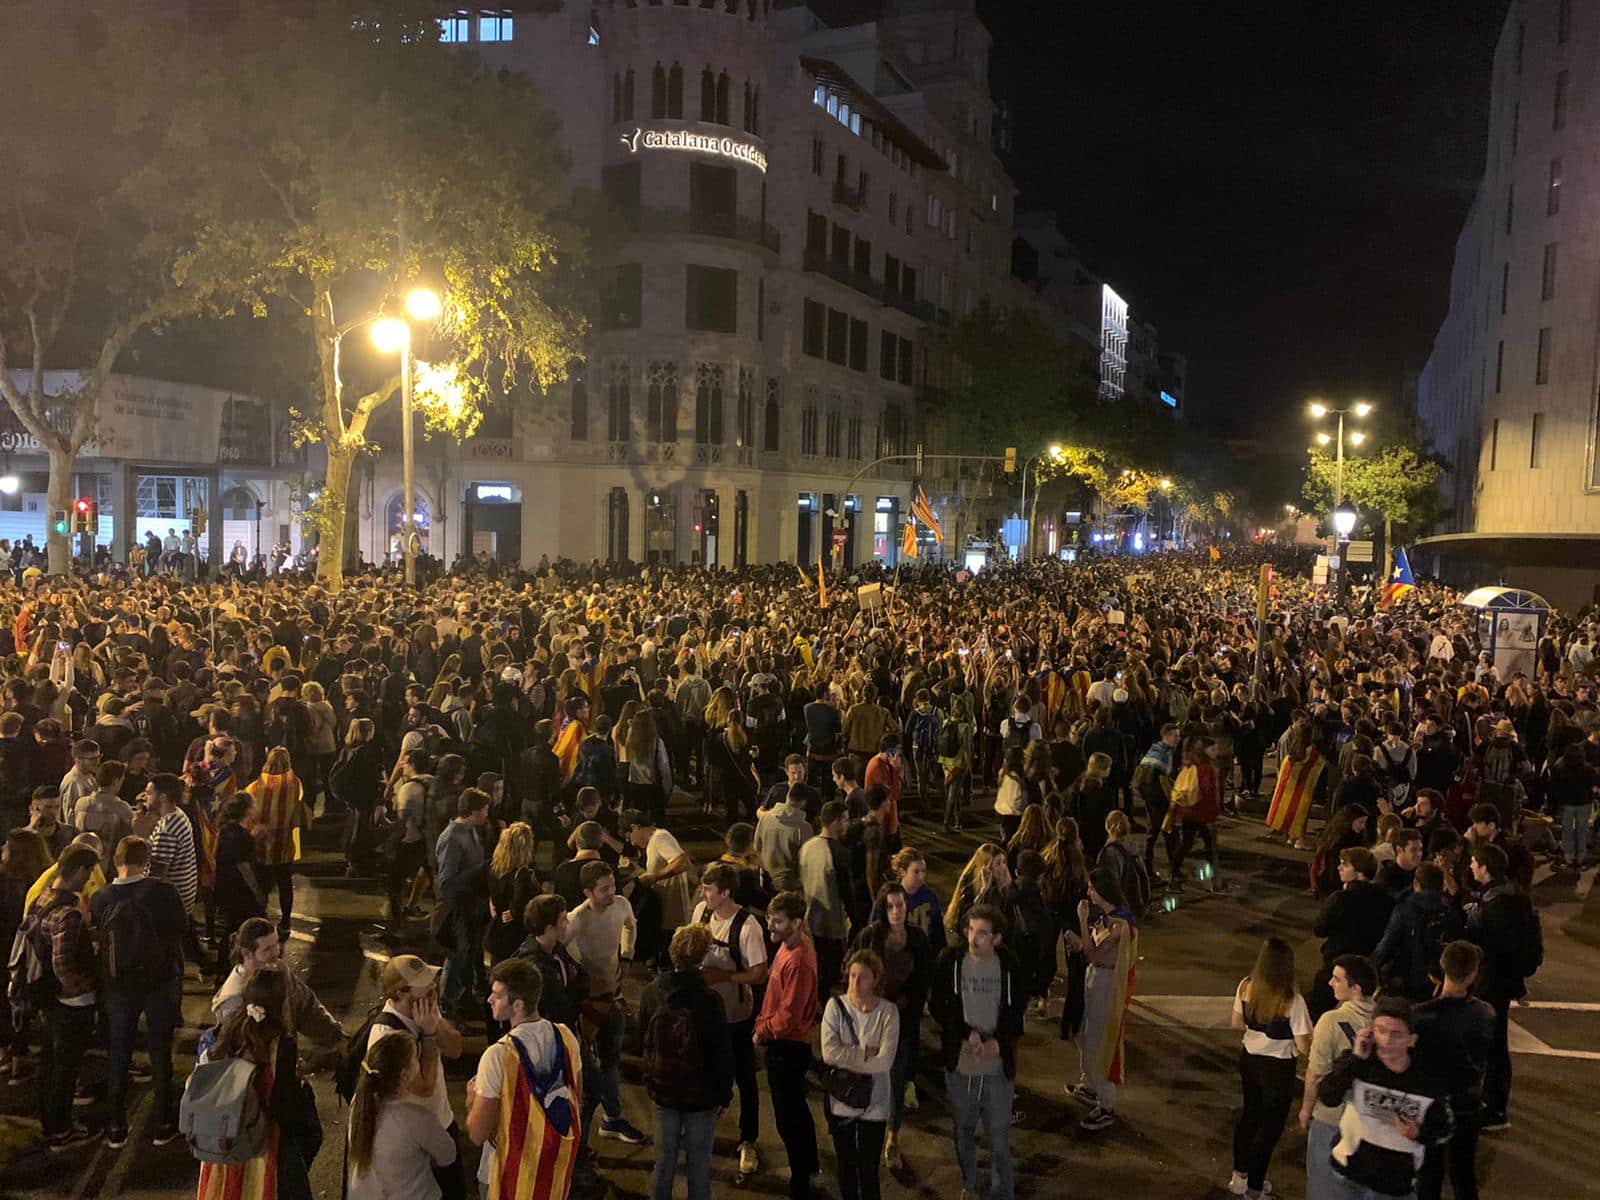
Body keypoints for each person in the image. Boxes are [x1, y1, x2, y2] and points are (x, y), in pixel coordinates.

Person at [92, 834, 190, 1148]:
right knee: (160, 1051)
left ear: (116, 861)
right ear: (146, 861)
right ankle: (163, 1123)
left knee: (119, 1051)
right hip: (159, 982)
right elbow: (181, 928)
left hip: (118, 985)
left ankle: (116, 1126)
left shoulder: (102, 897)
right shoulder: (163, 891)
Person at [195, 969, 320, 1200]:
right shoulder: (282, 1042)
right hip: (262, 1142)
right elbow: (283, 1108)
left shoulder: (231, 1027)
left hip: (226, 1140)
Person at [929, 903, 1026, 1200]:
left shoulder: (1009, 965)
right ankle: (969, 1183)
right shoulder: (950, 961)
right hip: (960, 1065)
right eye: (971, 930)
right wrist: (962, 1033)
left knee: (999, 1137)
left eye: (982, 933)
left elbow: (1017, 1010)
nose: (974, 938)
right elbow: (937, 1005)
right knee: (964, 1130)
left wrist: (1000, 1041)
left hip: (997, 1067)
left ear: (996, 938)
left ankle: (1002, 1193)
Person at [466, 959, 584, 1200]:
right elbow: (577, 1099)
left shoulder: (499, 1055)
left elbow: (478, 1133)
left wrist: (471, 1099)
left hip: (507, 1176)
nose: (489, 999)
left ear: (517, 1005)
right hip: (552, 1173)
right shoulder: (566, 1037)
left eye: (497, 995)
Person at [1316, 996, 1455, 1200]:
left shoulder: (1427, 1080)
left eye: (1396, 1034)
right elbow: (1328, 1097)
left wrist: (1419, 1132)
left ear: (1412, 1039)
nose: (1387, 1041)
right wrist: (1354, 1061)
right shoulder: (1360, 1063)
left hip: (1394, 1184)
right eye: (1380, 1031)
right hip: (1347, 1174)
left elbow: (1446, 1127)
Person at [639, 923, 733, 1200]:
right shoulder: (709, 1000)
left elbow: (643, 1038)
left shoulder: (652, 992)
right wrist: (724, 1095)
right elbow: (721, 1053)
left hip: (663, 1091)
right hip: (701, 1095)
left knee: (664, 1161)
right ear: (702, 957)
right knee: (699, 1164)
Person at [365, 955, 467, 1200]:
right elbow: (424, 1087)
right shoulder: (386, 1036)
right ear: (399, 994)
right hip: (415, 1143)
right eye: (424, 985)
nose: (433, 988)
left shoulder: (425, 1006)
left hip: (443, 1122)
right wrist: (429, 1035)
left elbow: (455, 1048)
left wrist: (435, 1024)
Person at [690, 862, 769, 1177]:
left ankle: (748, 1140)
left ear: (725, 892)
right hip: (707, 1012)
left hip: (736, 1015)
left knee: (746, 1078)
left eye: (709, 889)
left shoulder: (748, 926)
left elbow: (760, 973)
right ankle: (704, 1128)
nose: (703, 893)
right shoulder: (701, 913)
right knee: (706, 1070)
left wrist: (723, 977)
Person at [563, 860, 647, 1148]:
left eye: (612, 885)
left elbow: (630, 926)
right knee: (588, 1068)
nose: (612, 892)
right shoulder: (577, 919)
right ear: (588, 892)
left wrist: (627, 955)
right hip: (588, 1004)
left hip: (612, 996)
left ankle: (611, 1118)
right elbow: (560, 948)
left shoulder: (622, 904)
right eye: (604, 889)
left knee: (611, 1061)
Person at [852, 882, 932, 1170]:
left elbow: (925, 978)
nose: (896, 911)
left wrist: (908, 999)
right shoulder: (870, 937)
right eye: (890, 906)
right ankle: (868, 1132)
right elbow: (853, 974)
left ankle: (892, 1137)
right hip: (871, 1022)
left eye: (900, 905)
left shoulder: (918, 939)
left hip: (902, 1024)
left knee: (896, 1081)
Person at [1227, 937, 1311, 1200]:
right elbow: (1304, 1044)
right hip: (1278, 1067)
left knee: (1250, 1115)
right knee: (1270, 1127)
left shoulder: (1245, 987)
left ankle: (1238, 1177)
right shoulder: (1292, 1000)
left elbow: (1236, 1023)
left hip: (1250, 1059)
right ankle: (1255, 1187)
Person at [29, 844, 100, 1151]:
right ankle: (61, 1130)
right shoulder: (67, 914)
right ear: (81, 871)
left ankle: (50, 1122)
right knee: (66, 1066)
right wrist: (84, 989)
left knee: (50, 1062)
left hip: (45, 997)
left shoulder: (42, 899)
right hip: (68, 1003)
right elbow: (63, 964)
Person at [1466, 842, 1541, 1132]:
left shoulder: (1497, 905)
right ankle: (1491, 1103)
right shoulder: (1513, 895)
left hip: (1493, 983)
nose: (1471, 866)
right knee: (1494, 1044)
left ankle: (1495, 1109)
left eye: (1474, 863)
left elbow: (1501, 950)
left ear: (1484, 868)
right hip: (1501, 981)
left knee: (1493, 1045)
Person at [1413, 941, 1495, 1200]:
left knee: (1429, 1173)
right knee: (1463, 1172)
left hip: (1430, 1102)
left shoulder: (1420, 1016)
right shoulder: (1485, 1013)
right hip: (1467, 1102)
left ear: (1442, 966)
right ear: (1473, 974)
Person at [754, 890, 819, 1200]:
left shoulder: (798, 960)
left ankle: (800, 1181)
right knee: (797, 1109)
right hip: (788, 1042)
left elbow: (788, 1017)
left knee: (787, 1117)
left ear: (797, 922)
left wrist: (761, 1030)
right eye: (770, 919)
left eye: (777, 921)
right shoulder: (789, 946)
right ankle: (809, 1163)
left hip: (788, 1046)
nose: (770, 926)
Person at [1299, 954, 1379, 1200]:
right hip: (1371, 1118)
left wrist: (1306, 1109)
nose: (1330, 983)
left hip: (1332, 1117)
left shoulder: (1331, 1021)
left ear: (1355, 989)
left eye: (1337, 979)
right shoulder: (1385, 1021)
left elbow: (1314, 1075)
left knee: (1324, 1186)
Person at [821, 948, 899, 1200]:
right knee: (846, 1166)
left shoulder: (888, 1012)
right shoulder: (835, 1007)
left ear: (875, 979)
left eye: (862, 976)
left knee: (868, 1169)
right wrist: (866, 1053)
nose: (855, 982)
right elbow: (829, 1054)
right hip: (843, 1099)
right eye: (852, 975)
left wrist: (850, 1056)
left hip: (875, 1102)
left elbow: (885, 1061)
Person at [347, 1032, 459, 1200]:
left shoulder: (359, 1105)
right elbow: (448, 1155)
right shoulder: (417, 1118)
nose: (419, 1062)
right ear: (404, 1075)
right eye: (415, 1058)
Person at [1072, 866, 1138, 1133]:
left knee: (1102, 1041)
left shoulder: (1119, 924)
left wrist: (1081, 922)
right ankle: (1091, 1085)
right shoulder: (1109, 918)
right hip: (1096, 980)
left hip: (1106, 985)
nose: (1088, 892)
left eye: (1091, 888)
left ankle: (1106, 1104)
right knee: (1086, 1034)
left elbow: (1094, 955)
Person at [1309, 847, 1392, 1019]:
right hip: (1366, 964)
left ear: (1358, 872)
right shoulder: (1385, 899)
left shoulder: (1340, 898)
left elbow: (1319, 929)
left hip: (1336, 964)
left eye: (1345, 865)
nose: (1339, 868)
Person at [436, 788, 492, 1020]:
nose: (487, 813)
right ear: (472, 812)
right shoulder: (452, 838)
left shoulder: (471, 831)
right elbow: (447, 880)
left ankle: (464, 998)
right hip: (458, 907)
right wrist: (480, 872)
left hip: (472, 905)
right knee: (457, 956)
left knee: (468, 954)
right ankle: (448, 1005)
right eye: (485, 810)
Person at [245, 746, 307, 941]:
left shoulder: (255, 786)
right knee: (285, 883)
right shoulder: (296, 784)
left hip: (261, 843)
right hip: (284, 843)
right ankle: (285, 921)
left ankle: (260, 919)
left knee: (262, 884)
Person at [800, 800, 851, 1004]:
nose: (848, 824)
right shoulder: (838, 852)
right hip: (832, 922)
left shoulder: (808, 847)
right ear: (836, 822)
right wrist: (853, 918)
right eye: (846, 820)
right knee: (829, 969)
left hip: (810, 918)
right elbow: (846, 891)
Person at [755, 771, 814, 893]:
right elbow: (807, 862)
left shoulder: (766, 817)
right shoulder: (804, 828)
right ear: (803, 803)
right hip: (790, 885)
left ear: (787, 796)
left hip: (766, 877)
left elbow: (757, 846)